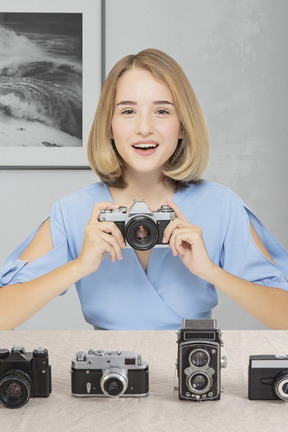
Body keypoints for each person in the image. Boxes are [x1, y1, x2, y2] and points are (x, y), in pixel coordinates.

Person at [0, 49, 287, 330]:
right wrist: (79, 266)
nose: (144, 128)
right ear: (109, 126)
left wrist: (210, 271)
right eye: (128, 111)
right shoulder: (74, 213)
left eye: (162, 111)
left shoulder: (221, 205)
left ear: (183, 126)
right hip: (106, 375)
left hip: (195, 372)